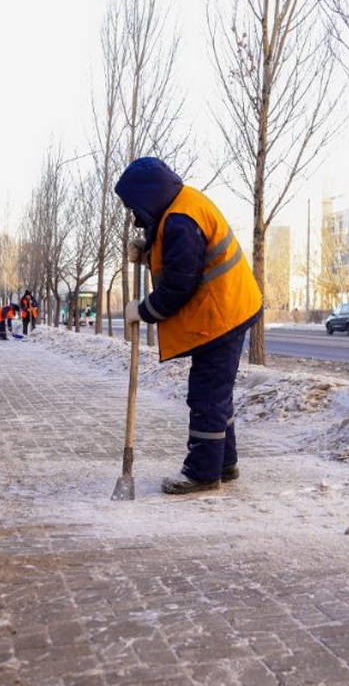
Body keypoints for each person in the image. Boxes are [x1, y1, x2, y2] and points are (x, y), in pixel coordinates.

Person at [115, 157, 263, 495]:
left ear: (149, 197)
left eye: (135, 207)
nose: (135, 217)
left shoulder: (181, 220)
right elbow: (177, 251)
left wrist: (143, 310)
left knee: (207, 394)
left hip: (222, 314)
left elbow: (178, 286)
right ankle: (223, 462)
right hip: (227, 309)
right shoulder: (182, 205)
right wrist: (148, 244)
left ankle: (202, 472)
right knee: (215, 392)